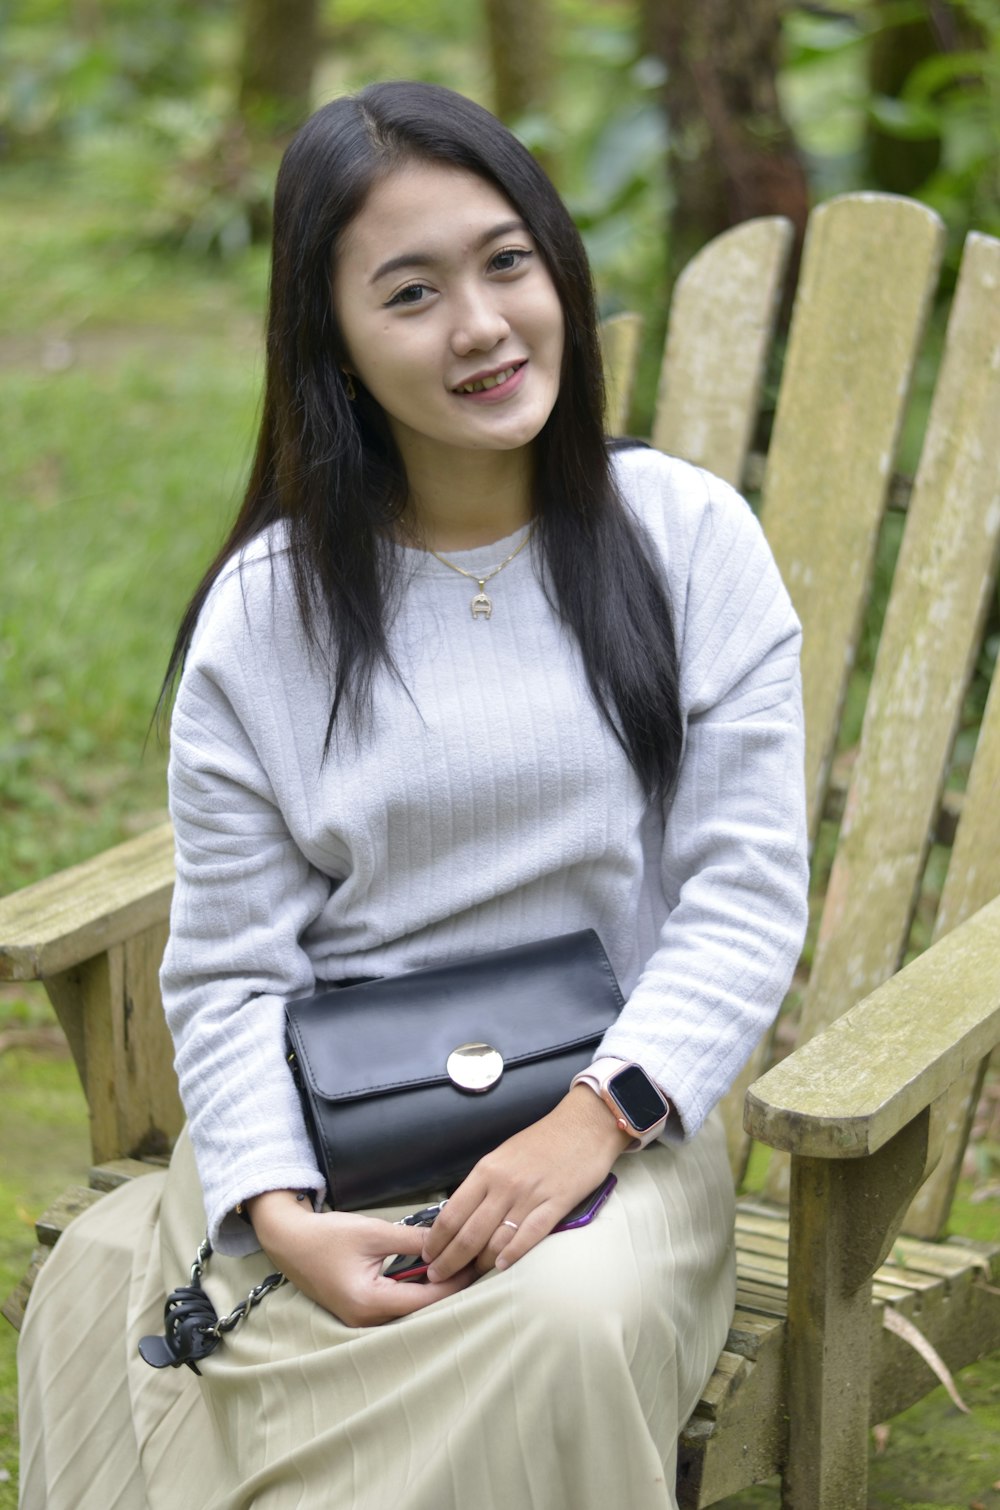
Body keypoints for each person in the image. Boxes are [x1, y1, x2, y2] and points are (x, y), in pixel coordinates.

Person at [17, 81, 808, 1510]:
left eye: (508, 261)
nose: (485, 326)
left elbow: (743, 899)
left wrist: (590, 1120)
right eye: (412, 292)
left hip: (616, 1130)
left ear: (558, 262)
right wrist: (279, 1210)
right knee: (160, 1305)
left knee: (564, 1326)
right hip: (328, 1132)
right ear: (335, 346)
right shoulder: (269, 613)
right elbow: (231, 965)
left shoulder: (691, 544)